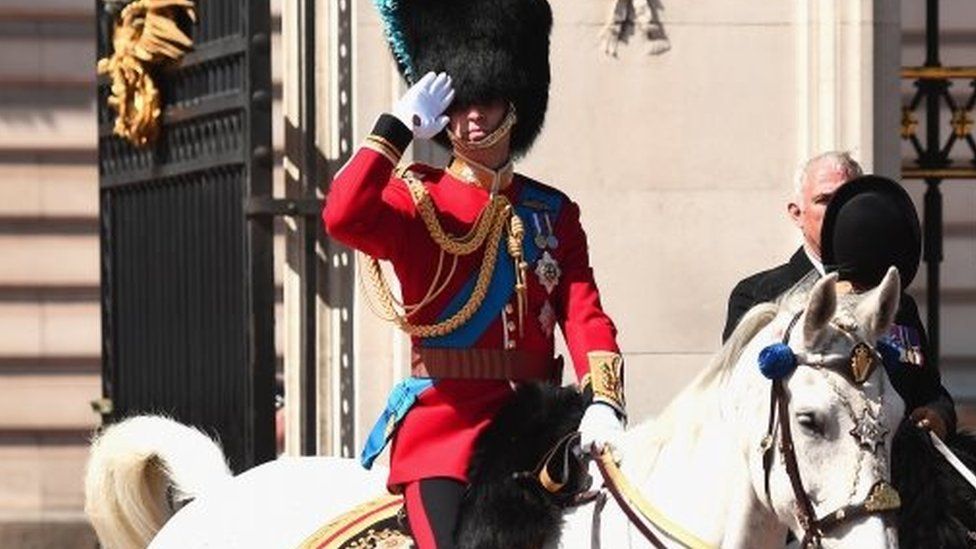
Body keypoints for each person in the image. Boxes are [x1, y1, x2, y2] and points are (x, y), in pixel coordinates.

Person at [322, 1, 625, 547]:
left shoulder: (551, 212)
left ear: (515, 103)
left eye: (485, 99)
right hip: (445, 427)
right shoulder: (418, 199)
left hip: (537, 424)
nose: (472, 116)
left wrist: (604, 399)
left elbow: (583, 313)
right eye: (459, 103)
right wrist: (394, 129)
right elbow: (342, 215)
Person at [819, 175, 955, 439]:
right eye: (823, 200)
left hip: (901, 459)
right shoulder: (793, 299)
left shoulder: (902, 307)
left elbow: (931, 390)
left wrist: (938, 415)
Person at [722, 151, 863, 341]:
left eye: (847, 200)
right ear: (797, 214)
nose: (837, 211)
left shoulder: (893, 301)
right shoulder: (756, 295)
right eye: (824, 200)